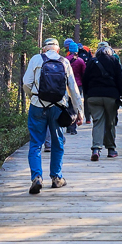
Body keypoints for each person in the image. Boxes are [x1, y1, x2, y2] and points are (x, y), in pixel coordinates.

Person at [22, 38, 84, 193]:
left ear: (44, 49)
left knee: (36, 143)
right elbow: (73, 89)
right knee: (58, 142)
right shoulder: (64, 62)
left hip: (37, 106)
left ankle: (36, 177)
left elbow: (26, 83)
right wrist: (79, 112)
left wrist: (33, 97)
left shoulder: (36, 59)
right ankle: (56, 178)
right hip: (58, 107)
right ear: (57, 50)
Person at [82, 40, 122, 162]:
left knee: (97, 122)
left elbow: (85, 79)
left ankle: (96, 149)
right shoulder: (114, 61)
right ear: (110, 51)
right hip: (111, 97)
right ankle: (111, 149)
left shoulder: (91, 62)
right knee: (110, 122)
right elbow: (120, 79)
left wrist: (87, 95)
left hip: (94, 96)